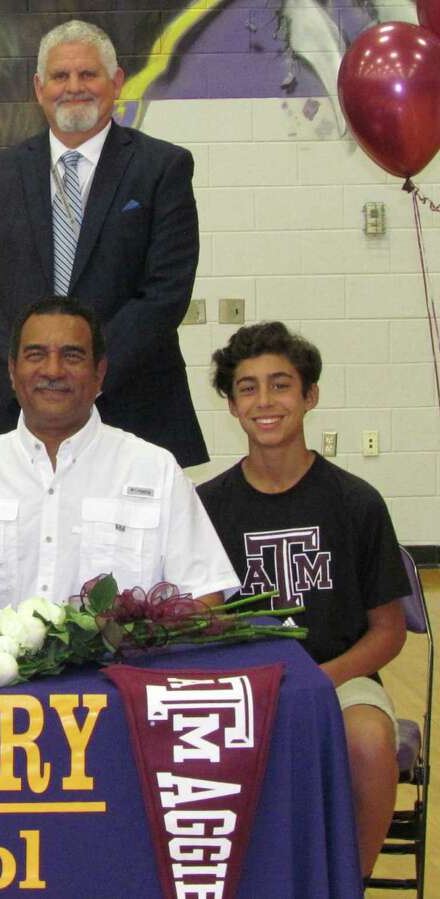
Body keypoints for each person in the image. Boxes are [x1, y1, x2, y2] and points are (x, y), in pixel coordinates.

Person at [197, 321, 407, 878]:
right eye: (248, 387)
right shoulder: (207, 506)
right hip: (243, 685)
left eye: (280, 384)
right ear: (232, 404)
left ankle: (348, 883)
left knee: (368, 738)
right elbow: (202, 617)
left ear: (310, 395)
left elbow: (387, 631)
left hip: (339, 677)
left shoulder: (356, 502)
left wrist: (321, 679)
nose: (265, 401)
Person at [0, 19, 207, 467]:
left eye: (88, 75)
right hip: (16, 413)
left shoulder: (162, 168)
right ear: (38, 87)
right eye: (60, 76)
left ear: (116, 82)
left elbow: (165, 292)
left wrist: (87, 374)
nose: (74, 87)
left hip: (134, 405)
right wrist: (27, 380)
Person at [0, 298, 236, 618]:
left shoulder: (155, 470)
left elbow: (203, 600)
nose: (53, 370)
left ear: (99, 372)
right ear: (12, 370)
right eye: (36, 355)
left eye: (72, 356)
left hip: (121, 666)